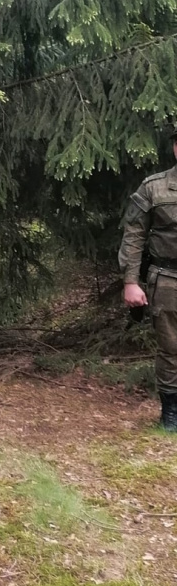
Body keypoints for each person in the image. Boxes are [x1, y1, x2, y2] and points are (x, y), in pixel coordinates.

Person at [119, 129, 177, 431]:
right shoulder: (154, 188)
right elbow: (133, 235)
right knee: (171, 347)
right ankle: (171, 411)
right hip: (167, 279)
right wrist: (131, 281)